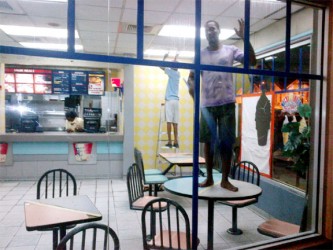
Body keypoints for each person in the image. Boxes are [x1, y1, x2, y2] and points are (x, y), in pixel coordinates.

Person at [187, 19, 256, 191]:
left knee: (227, 143)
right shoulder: (200, 54)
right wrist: (194, 95)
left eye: (212, 29)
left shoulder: (230, 50)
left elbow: (252, 62)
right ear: (205, 34)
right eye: (207, 30)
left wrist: (245, 38)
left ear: (218, 31)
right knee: (208, 143)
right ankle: (209, 178)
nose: (210, 32)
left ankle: (225, 180)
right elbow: (192, 78)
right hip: (207, 106)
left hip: (227, 104)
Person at [160, 53, 181, 148]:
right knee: (175, 122)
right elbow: (175, 66)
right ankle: (176, 141)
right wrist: (175, 58)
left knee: (169, 121)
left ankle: (169, 141)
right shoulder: (178, 74)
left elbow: (161, 66)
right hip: (176, 101)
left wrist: (164, 57)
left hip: (169, 100)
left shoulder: (171, 72)